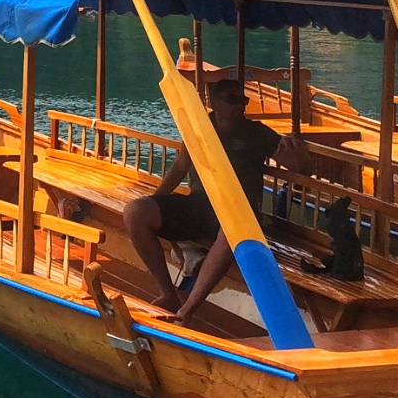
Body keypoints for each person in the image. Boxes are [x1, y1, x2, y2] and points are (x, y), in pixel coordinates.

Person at [122, 76, 311, 320]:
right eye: (231, 100)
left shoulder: (257, 133)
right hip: (199, 205)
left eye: (242, 100)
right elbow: (181, 166)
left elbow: (300, 168)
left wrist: (299, 152)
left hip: (238, 213)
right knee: (135, 211)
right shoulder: (199, 126)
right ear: (214, 103)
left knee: (232, 231)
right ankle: (168, 293)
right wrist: (156, 200)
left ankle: (188, 308)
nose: (239, 106)